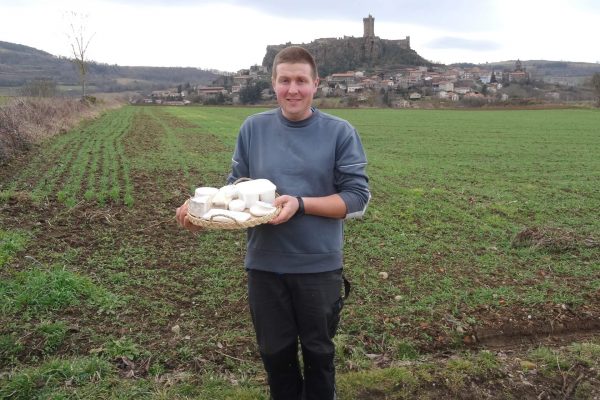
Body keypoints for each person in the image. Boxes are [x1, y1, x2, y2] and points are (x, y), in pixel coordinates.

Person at [176, 46, 370, 400]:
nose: (292, 89)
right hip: (265, 266)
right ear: (273, 83)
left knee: (319, 357)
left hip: (318, 268)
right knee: (275, 357)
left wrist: (300, 204)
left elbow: (357, 198)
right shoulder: (253, 128)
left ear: (316, 84)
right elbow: (235, 189)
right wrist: (199, 210)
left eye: (301, 81)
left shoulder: (340, 132)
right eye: (285, 81)